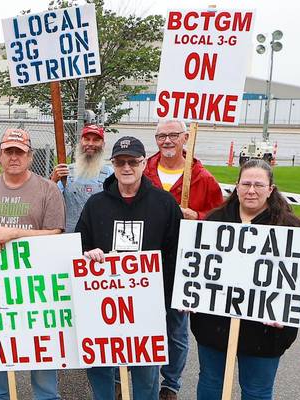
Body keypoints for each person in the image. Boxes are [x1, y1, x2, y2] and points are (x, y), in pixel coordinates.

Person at [190, 160, 300, 400]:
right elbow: (195, 267)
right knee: (211, 383)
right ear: (237, 186)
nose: (251, 190)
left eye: (259, 185)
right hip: (214, 327)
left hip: (266, 333)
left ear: (271, 189)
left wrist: (288, 310)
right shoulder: (214, 222)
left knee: (257, 391)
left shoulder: (291, 229)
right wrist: (189, 293)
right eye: (246, 184)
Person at [73, 137, 182, 400]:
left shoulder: (164, 203)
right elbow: (78, 244)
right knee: (101, 368)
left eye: (133, 161)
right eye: (120, 162)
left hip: (148, 306)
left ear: (144, 163)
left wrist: (170, 297)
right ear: (112, 164)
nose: (126, 167)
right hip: (103, 303)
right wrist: (88, 254)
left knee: (146, 373)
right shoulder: (96, 204)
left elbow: (176, 252)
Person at [0, 128, 66, 400]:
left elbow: (56, 233)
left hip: (37, 287)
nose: (13, 157)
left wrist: (14, 233)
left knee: (42, 353)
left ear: (30, 156)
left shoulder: (48, 189)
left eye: (19, 152)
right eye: (8, 151)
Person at [142, 119, 223, 399]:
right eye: (161, 136)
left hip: (182, 265)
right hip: (145, 263)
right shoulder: (144, 171)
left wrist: (198, 217)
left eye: (173, 135)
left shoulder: (203, 178)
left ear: (186, 137)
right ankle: (134, 378)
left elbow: (222, 221)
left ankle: (170, 383)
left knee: (176, 329)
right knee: (141, 323)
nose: (167, 141)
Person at [52, 123, 113, 233]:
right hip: (70, 237)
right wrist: (53, 181)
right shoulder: (65, 172)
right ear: (81, 142)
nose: (90, 144)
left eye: (96, 140)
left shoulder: (110, 174)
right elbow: (49, 203)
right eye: (87, 139)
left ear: (103, 144)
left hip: (99, 237)